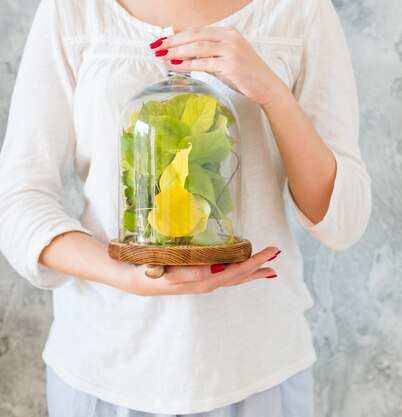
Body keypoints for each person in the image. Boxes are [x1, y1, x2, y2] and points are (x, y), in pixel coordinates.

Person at [0, 0, 371, 415]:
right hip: (104, 366)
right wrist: (124, 275)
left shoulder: (299, 11)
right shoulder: (73, 9)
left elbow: (344, 222)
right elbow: (18, 200)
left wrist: (272, 93)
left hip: (256, 368)